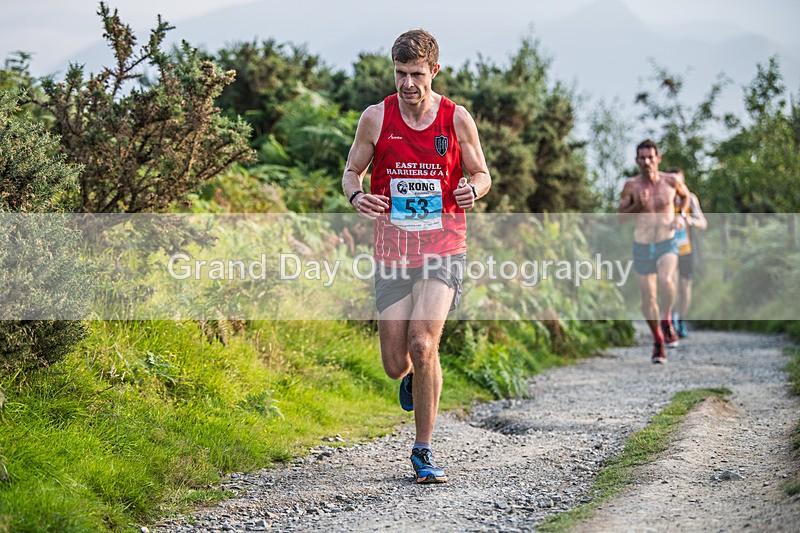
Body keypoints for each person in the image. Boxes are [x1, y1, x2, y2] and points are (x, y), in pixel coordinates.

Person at [341, 29, 491, 483]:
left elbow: (482, 173)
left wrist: (473, 191)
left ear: (434, 72)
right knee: (395, 363)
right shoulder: (375, 118)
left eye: (417, 75)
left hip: (443, 247)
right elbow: (352, 171)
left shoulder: (456, 119)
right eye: (401, 74)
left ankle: (422, 450)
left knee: (424, 343)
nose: (408, 84)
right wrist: (357, 197)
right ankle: (413, 377)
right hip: (392, 251)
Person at [617, 140, 690, 363]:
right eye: (642, 158)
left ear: (658, 158)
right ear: (637, 161)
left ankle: (666, 318)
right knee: (647, 298)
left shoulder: (672, 181)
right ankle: (658, 340)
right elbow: (619, 218)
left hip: (666, 242)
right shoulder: (631, 186)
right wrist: (636, 206)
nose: (647, 162)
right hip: (642, 244)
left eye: (651, 157)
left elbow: (685, 197)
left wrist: (680, 215)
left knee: (666, 279)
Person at [667, 168, 708, 338]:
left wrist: (690, 220)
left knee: (685, 288)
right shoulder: (666, 199)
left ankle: (681, 318)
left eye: (679, 181)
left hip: (686, 249)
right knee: (671, 285)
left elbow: (703, 222)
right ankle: (670, 319)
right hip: (669, 249)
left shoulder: (690, 199)